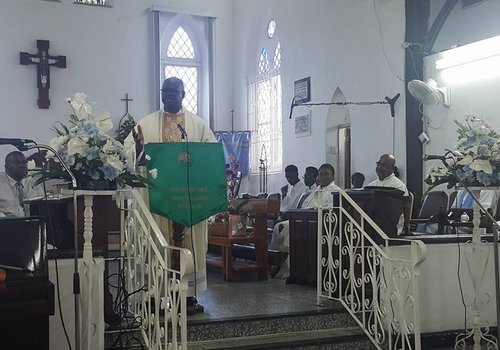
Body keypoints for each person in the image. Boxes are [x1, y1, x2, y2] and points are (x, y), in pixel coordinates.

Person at [125, 77, 216, 314]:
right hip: (157, 200)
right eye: (165, 91)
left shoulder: (197, 126)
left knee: (186, 243)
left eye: (174, 92)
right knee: (157, 243)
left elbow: (211, 153)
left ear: (183, 94)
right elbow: (128, 155)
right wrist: (137, 149)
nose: (168, 96)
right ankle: (154, 295)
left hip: (187, 199)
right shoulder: (144, 125)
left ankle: (186, 297)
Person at [271, 164, 340, 278]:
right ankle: (275, 260)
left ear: (333, 177)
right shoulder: (316, 190)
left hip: (323, 224)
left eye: (326, 174)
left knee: (290, 228)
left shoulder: (336, 191)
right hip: (308, 220)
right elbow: (304, 206)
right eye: (321, 174)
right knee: (279, 226)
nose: (323, 177)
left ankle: (290, 268)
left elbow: (331, 211)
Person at [365, 154, 409, 234]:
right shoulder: (370, 185)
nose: (380, 167)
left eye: (384, 165)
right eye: (378, 164)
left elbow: (395, 211)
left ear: (392, 168)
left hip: (391, 224)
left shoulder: (398, 186)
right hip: (372, 222)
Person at [0, 151, 43, 217]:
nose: (21, 165)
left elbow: (43, 204)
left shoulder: (33, 180)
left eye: (24, 162)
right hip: (6, 225)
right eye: (16, 163)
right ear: (6, 167)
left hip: (33, 224)